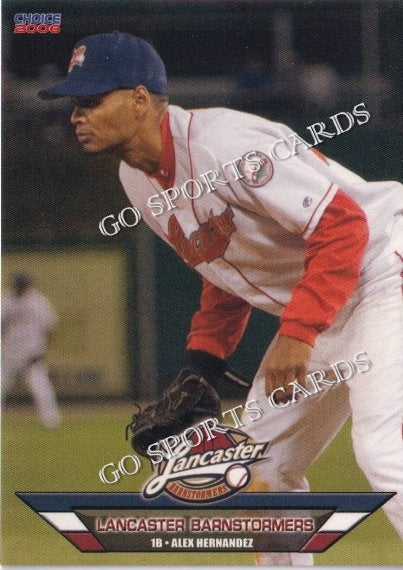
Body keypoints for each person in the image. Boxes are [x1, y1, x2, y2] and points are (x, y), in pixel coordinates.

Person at [38, 32, 402, 565]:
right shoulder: (136, 180)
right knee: (259, 467)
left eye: (92, 100)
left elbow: (343, 226)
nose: (78, 115)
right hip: (329, 301)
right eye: (75, 103)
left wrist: (298, 334)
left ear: (140, 100)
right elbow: (223, 268)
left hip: (381, 268)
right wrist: (201, 365)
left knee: (383, 449)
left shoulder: (225, 145)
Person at [2, 273, 61, 429]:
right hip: (10, 355)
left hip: (31, 355)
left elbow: (50, 326)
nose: (20, 289)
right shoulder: (7, 300)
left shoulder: (38, 301)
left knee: (41, 388)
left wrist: (44, 348)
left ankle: (51, 421)